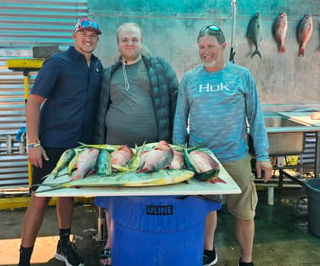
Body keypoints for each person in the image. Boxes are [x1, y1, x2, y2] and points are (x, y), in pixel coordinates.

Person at [173, 25, 273, 266]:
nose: (205, 52)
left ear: (223, 47)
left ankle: (246, 260)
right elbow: (180, 118)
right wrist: (177, 154)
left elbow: (256, 117)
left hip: (235, 157)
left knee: (245, 213)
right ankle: (208, 251)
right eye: (201, 47)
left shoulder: (241, 75)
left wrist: (263, 155)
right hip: (200, 158)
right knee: (206, 208)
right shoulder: (190, 78)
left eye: (210, 46)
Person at [18, 18, 103, 266]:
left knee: (68, 195)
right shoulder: (58, 63)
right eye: (84, 33)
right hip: (52, 145)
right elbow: (33, 102)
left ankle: (64, 246)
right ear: (74, 35)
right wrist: (33, 144)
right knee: (40, 198)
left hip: (80, 148)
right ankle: (24, 259)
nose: (88, 38)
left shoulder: (97, 66)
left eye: (93, 35)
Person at [94, 22, 179, 265]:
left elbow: (175, 96)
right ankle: (112, 240)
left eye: (135, 39)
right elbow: (101, 108)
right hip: (116, 144)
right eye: (125, 40)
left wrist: (176, 138)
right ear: (118, 43)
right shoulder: (109, 72)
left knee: (149, 193)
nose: (130, 44)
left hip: (152, 146)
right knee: (115, 194)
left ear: (141, 41)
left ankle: (146, 235)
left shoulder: (158, 66)